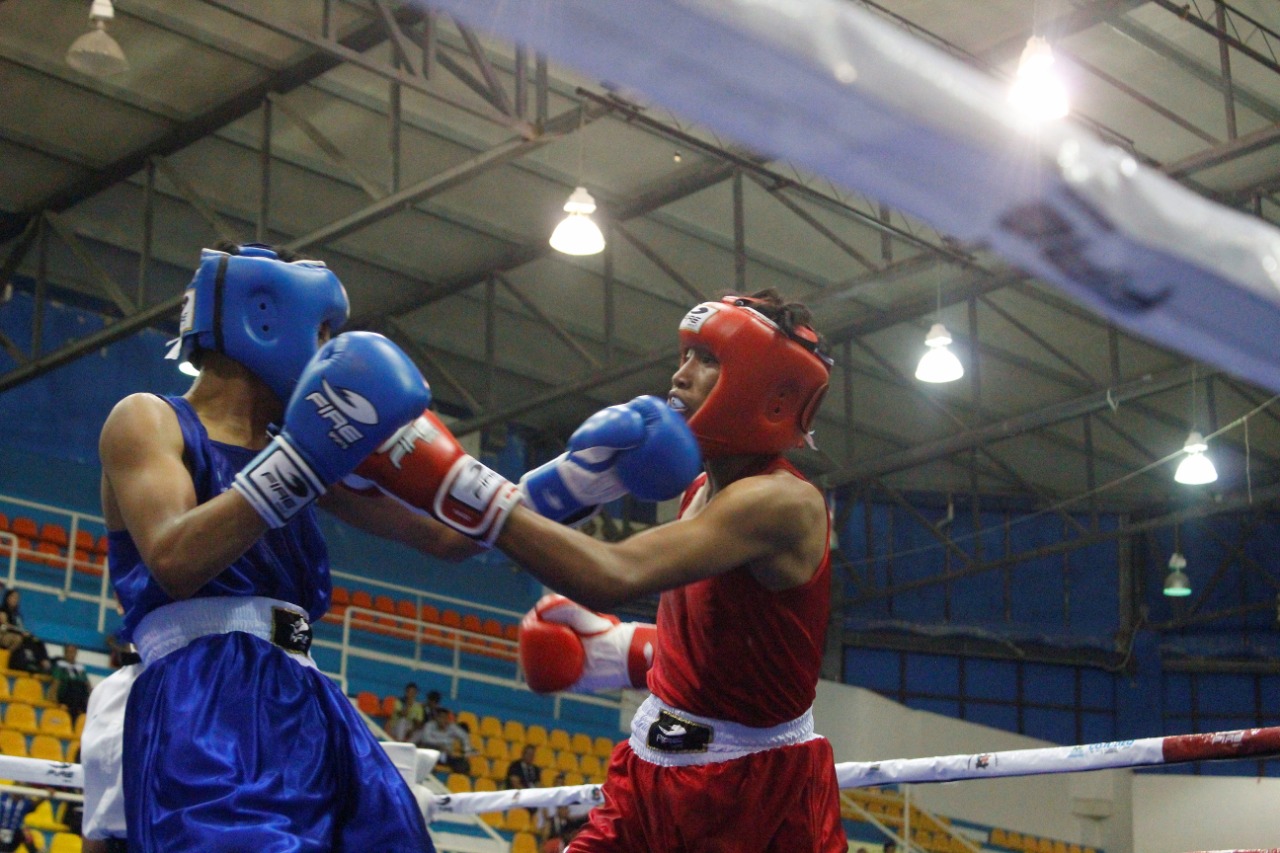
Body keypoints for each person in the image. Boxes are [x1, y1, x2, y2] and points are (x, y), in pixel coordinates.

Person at [361, 290, 845, 851]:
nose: (680, 375)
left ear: (772, 392)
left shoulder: (782, 503)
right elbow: (456, 540)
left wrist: (461, 481)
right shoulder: (698, 489)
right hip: (649, 771)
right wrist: (628, 652)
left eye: (708, 359)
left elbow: (611, 574)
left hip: (753, 798)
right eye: (686, 354)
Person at [96, 242, 484, 852]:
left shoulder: (298, 450)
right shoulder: (149, 420)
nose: (328, 351)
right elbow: (174, 561)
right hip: (205, 703)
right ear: (265, 320)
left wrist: (580, 480)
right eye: (324, 329)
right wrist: (304, 456)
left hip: (305, 695)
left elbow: (449, 536)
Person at [415, 706, 473, 774]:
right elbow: (425, 739)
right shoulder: (430, 725)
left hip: (446, 755)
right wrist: (439, 745)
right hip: (431, 752)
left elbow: (464, 736)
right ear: (436, 718)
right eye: (441, 717)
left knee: (463, 765)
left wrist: (467, 751)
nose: (443, 720)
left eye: (445, 718)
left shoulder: (452, 727)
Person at [50, 642, 91, 719]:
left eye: (73, 652)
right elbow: (56, 683)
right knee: (74, 686)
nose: (71, 654)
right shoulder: (60, 666)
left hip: (79, 697)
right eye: (69, 652)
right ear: (65, 653)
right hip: (65, 695)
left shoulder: (80, 668)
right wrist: (55, 701)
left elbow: (87, 685)